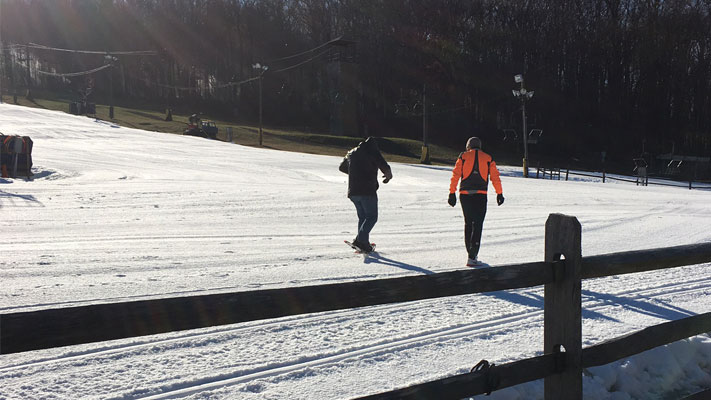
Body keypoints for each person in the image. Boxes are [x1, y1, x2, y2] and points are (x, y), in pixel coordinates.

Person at [448, 136, 504, 266]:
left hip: (465, 194)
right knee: (477, 224)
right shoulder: (488, 158)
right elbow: (495, 177)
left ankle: (470, 254)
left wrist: (452, 193)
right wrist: (499, 193)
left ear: (468, 146)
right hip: (480, 194)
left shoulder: (463, 156)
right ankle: (473, 256)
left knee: (468, 223)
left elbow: (455, 175)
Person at [339, 136, 393, 253]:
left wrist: (355, 172)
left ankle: (364, 244)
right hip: (367, 190)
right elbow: (384, 167)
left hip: (353, 191)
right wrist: (388, 176)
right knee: (372, 217)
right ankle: (361, 240)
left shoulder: (352, 152)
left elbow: (342, 167)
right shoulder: (372, 151)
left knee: (363, 217)